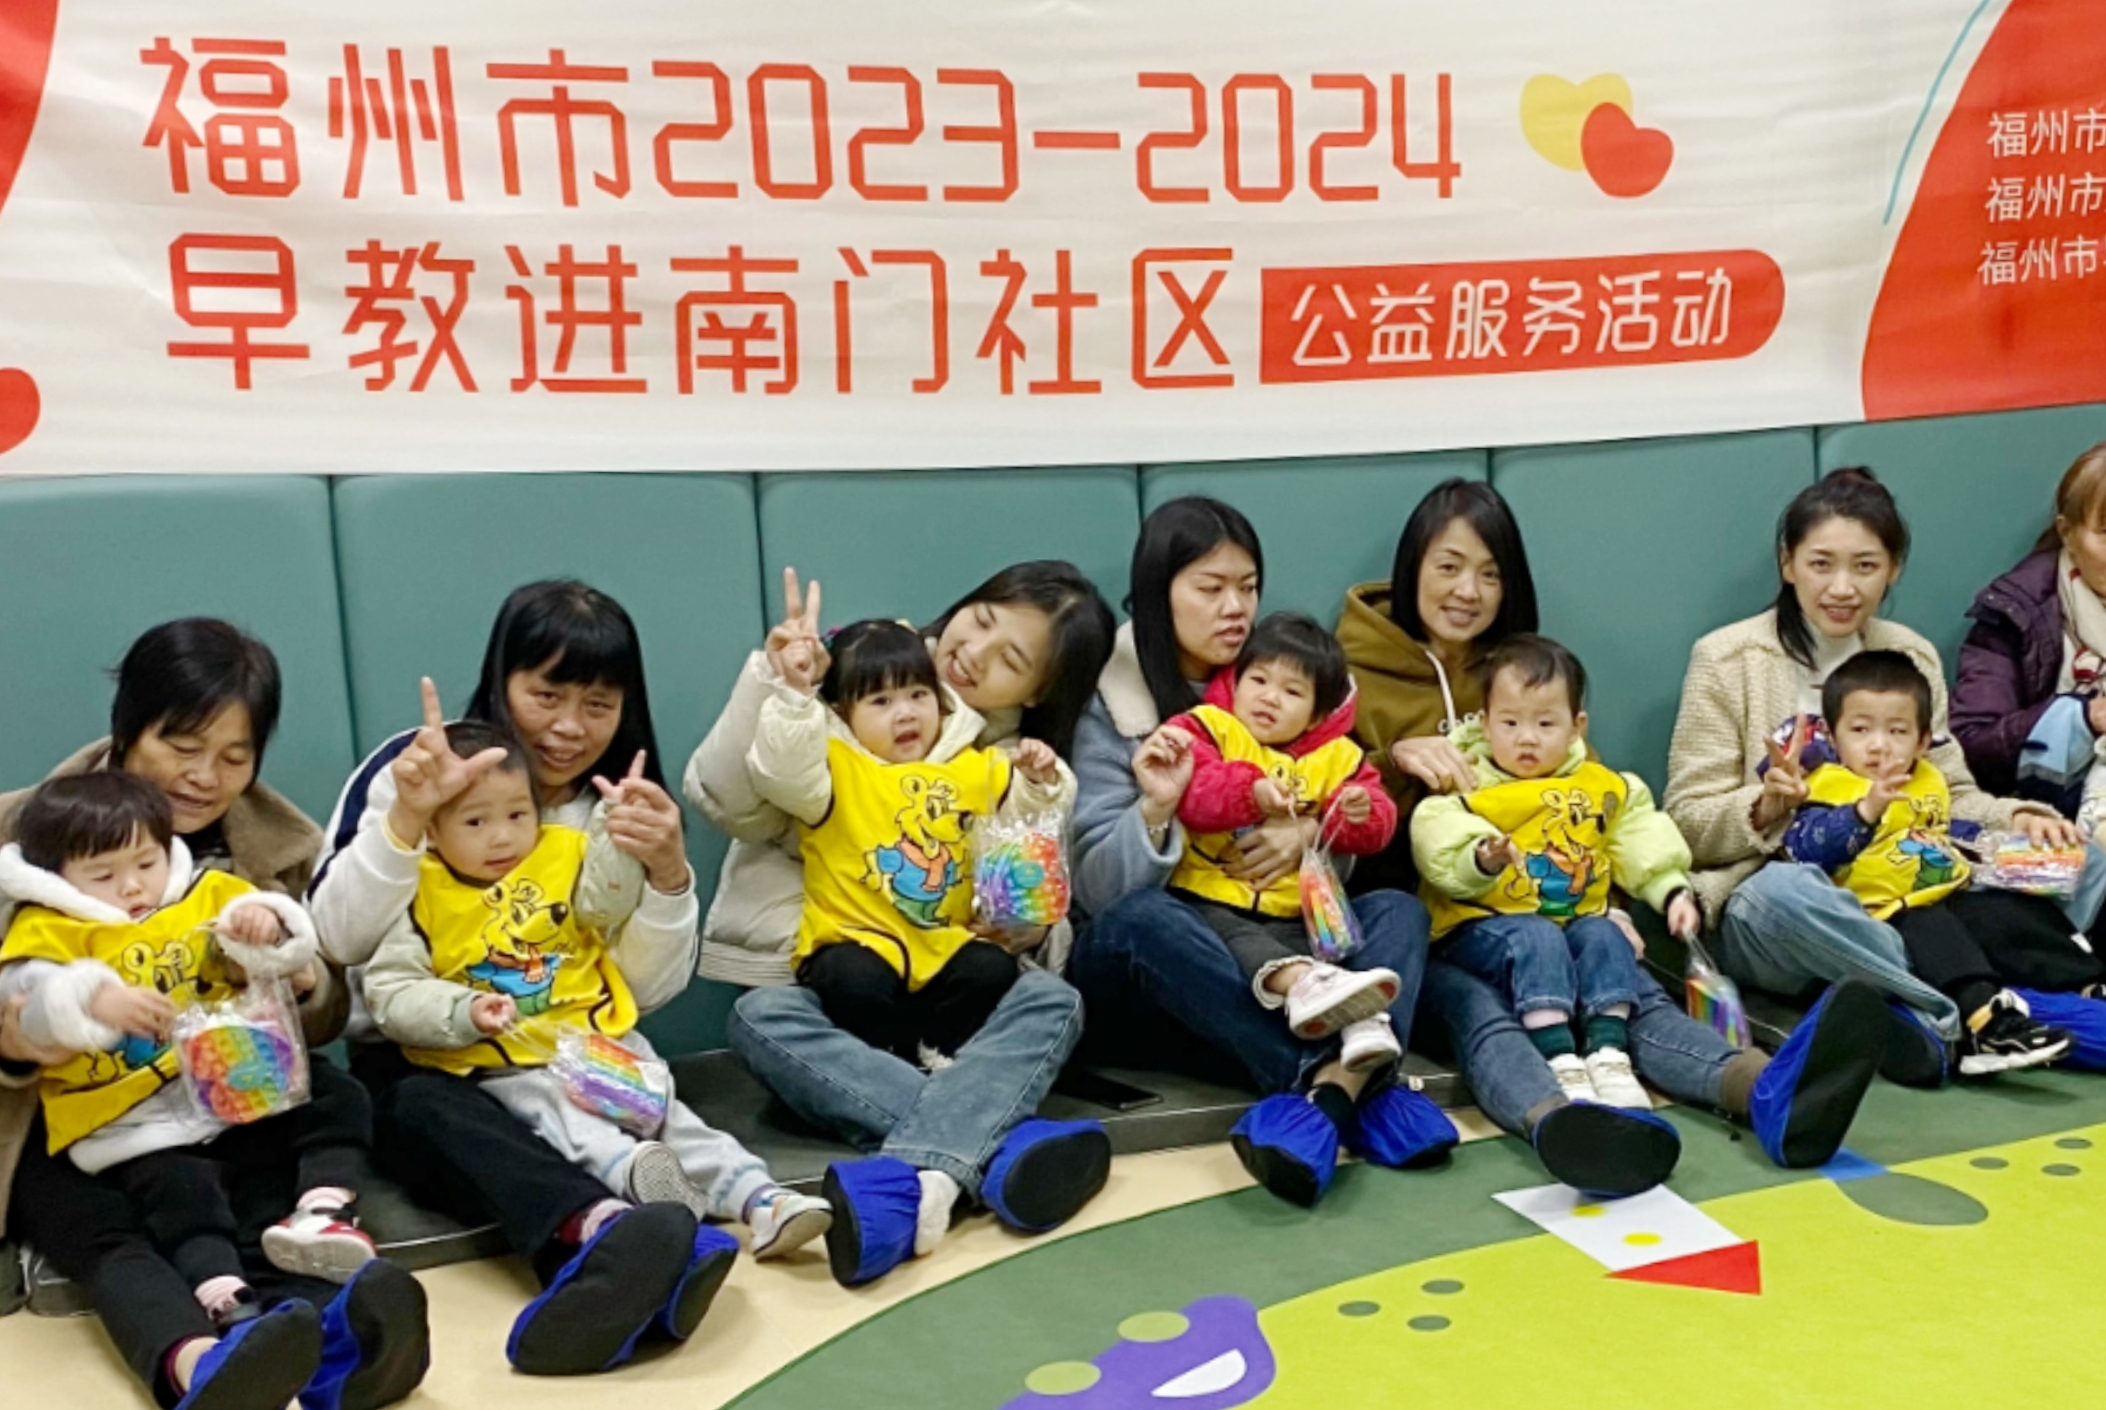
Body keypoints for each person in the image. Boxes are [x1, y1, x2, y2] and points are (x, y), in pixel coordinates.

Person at [1342, 480, 1889, 1190]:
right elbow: (1332, 797)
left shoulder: (1533, 670)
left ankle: (1764, 1089)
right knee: (1481, 1012)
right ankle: (1558, 1122)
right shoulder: (1353, 672)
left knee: (1631, 992)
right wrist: (1395, 760)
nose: (1468, 591)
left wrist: (1623, 901)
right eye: (1448, 566)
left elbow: (1604, 813)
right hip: (1445, 927)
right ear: (1412, 566)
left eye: (1490, 573)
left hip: (1567, 913)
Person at [0, 619, 425, 1410]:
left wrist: (295, 977)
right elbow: (25, 989)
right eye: (183, 746)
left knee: (266, 1175)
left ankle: (335, 1348)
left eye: (234, 756)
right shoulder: (29, 841)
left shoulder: (273, 843)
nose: (204, 777)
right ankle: (195, 1365)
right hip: (67, 1120)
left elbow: (322, 1000)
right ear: (128, 730)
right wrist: (35, 1032)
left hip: (225, 1091)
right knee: (113, 1226)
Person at [308, 581, 728, 1376]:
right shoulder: (419, 770)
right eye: (546, 694)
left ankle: (642, 1256)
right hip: (430, 1057)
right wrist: (405, 819)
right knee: (422, 1110)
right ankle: (604, 1235)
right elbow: (336, 938)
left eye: (598, 704)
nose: (569, 727)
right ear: (501, 680)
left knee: (641, 1123)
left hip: (572, 1055)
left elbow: (646, 989)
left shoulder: (619, 808)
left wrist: (670, 877)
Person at [699, 566, 1116, 1290]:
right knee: (761, 1017)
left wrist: (1024, 923)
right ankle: (995, 1148)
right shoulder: (853, 674)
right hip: (833, 979)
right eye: (980, 620)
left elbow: (1041, 854)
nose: (973, 654)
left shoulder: (996, 760)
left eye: (1011, 658)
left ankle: (916, 1176)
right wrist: (784, 685)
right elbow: (734, 794)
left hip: (948, 988)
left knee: (1053, 998)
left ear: (1038, 691)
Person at [1069, 498, 1457, 1210]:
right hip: (1178, 971)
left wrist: (1311, 831)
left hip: (1289, 944)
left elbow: (1347, 816)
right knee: (1141, 919)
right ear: (1158, 593)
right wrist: (1156, 809)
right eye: (1210, 587)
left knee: (1397, 911)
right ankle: (1351, 1084)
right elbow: (1097, 893)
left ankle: (1326, 1098)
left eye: (1247, 586)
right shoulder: (1116, 706)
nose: (1234, 608)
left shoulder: (1291, 681)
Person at [1664, 466, 2091, 1070]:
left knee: (2082, 855)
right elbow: (1686, 822)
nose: (1842, 588)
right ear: (1788, 564)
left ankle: (1952, 1005)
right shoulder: (1727, 659)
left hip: (1915, 882)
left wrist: (2018, 817)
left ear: (1893, 569)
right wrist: (1767, 805)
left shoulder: (1908, 654)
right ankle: (1959, 1013)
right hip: (1784, 898)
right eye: (1821, 564)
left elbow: (1950, 792)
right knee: (1789, 894)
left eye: (1865, 566)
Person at [363, 723, 830, 1258]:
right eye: (475, 822)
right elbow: (391, 991)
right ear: (432, 831)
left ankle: (764, 1199)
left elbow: (606, 903)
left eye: (518, 815)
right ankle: (636, 1176)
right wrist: (463, 1009)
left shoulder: (562, 850)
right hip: (511, 1064)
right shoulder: (415, 890)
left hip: (600, 1042)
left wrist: (612, 830)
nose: (502, 837)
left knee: (676, 1122)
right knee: (569, 1125)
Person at [1, 775, 379, 1321]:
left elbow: (282, 947)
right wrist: (88, 998)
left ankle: (322, 1210)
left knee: (338, 1096)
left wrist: (265, 929)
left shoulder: (206, 893)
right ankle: (221, 1292)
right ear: (54, 878)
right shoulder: (46, 931)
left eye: (146, 863)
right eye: (104, 875)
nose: (133, 886)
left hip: (237, 1084)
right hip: (136, 1122)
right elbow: (26, 1002)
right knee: (180, 1192)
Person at [1412, 636, 1702, 1110]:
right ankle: (1558, 1056)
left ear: (1575, 727)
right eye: (1509, 723)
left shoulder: (1603, 786)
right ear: (1484, 724)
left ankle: (1608, 1053)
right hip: (1480, 926)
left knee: (1604, 934)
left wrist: (1672, 893)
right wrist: (1482, 856)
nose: (1527, 738)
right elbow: (1436, 834)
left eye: (1545, 723)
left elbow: (1640, 836)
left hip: (1574, 920)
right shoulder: (1467, 781)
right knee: (1537, 936)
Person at [1783, 650, 2098, 1073]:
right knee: (1934, 931)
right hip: (1884, 911)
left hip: (1950, 890)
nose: (1879, 745)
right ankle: (1986, 1023)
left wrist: (2005, 833)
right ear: (1834, 738)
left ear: (1922, 742)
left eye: (1897, 731)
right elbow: (1807, 847)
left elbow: (1943, 826)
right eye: (1860, 730)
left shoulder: (1926, 778)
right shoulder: (1827, 785)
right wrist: (1864, 812)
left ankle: (2085, 982)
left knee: (2010, 912)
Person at [1161, 612, 1404, 1070]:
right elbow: (1193, 794)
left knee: (1350, 938)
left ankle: (1362, 1022)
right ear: (1236, 682)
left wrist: (1358, 811)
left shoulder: (1340, 757)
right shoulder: (1208, 727)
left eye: (1292, 692)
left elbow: (1378, 824)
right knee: (1229, 936)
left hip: (1299, 911)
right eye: (1258, 680)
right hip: (1209, 895)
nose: (1270, 697)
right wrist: (1250, 792)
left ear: (1317, 715)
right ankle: (1306, 985)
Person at [1955, 441, 2106, 815]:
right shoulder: (2014, 614)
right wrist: (2082, 717)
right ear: (2068, 533)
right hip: (2050, 821)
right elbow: (1970, 747)